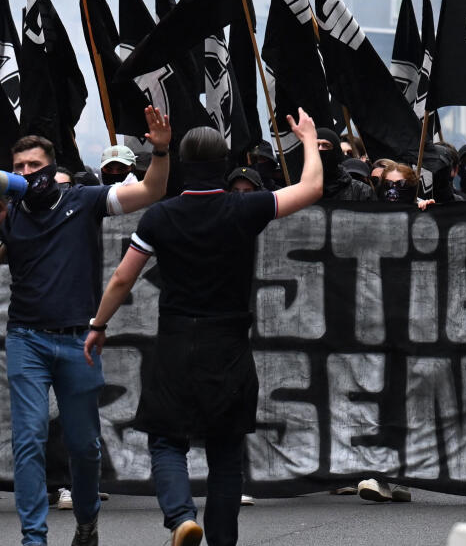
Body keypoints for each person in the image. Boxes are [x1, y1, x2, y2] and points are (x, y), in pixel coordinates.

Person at [85, 113, 324, 546]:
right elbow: (311, 189)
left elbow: (122, 278)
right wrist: (307, 138)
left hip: (176, 341)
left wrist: (98, 324)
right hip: (229, 344)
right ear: (222, 163)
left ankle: (180, 518)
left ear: (181, 162)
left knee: (166, 441)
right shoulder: (246, 207)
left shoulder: (159, 217)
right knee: (226, 453)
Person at [0, 107, 175, 546]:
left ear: (52, 168)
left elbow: (153, 190)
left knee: (84, 447)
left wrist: (160, 149)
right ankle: (34, 538)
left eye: (34, 166)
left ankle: (86, 521)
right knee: (28, 440)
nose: (26, 174)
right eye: (19, 167)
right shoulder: (13, 214)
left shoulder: (83, 200)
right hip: (26, 338)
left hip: (78, 342)